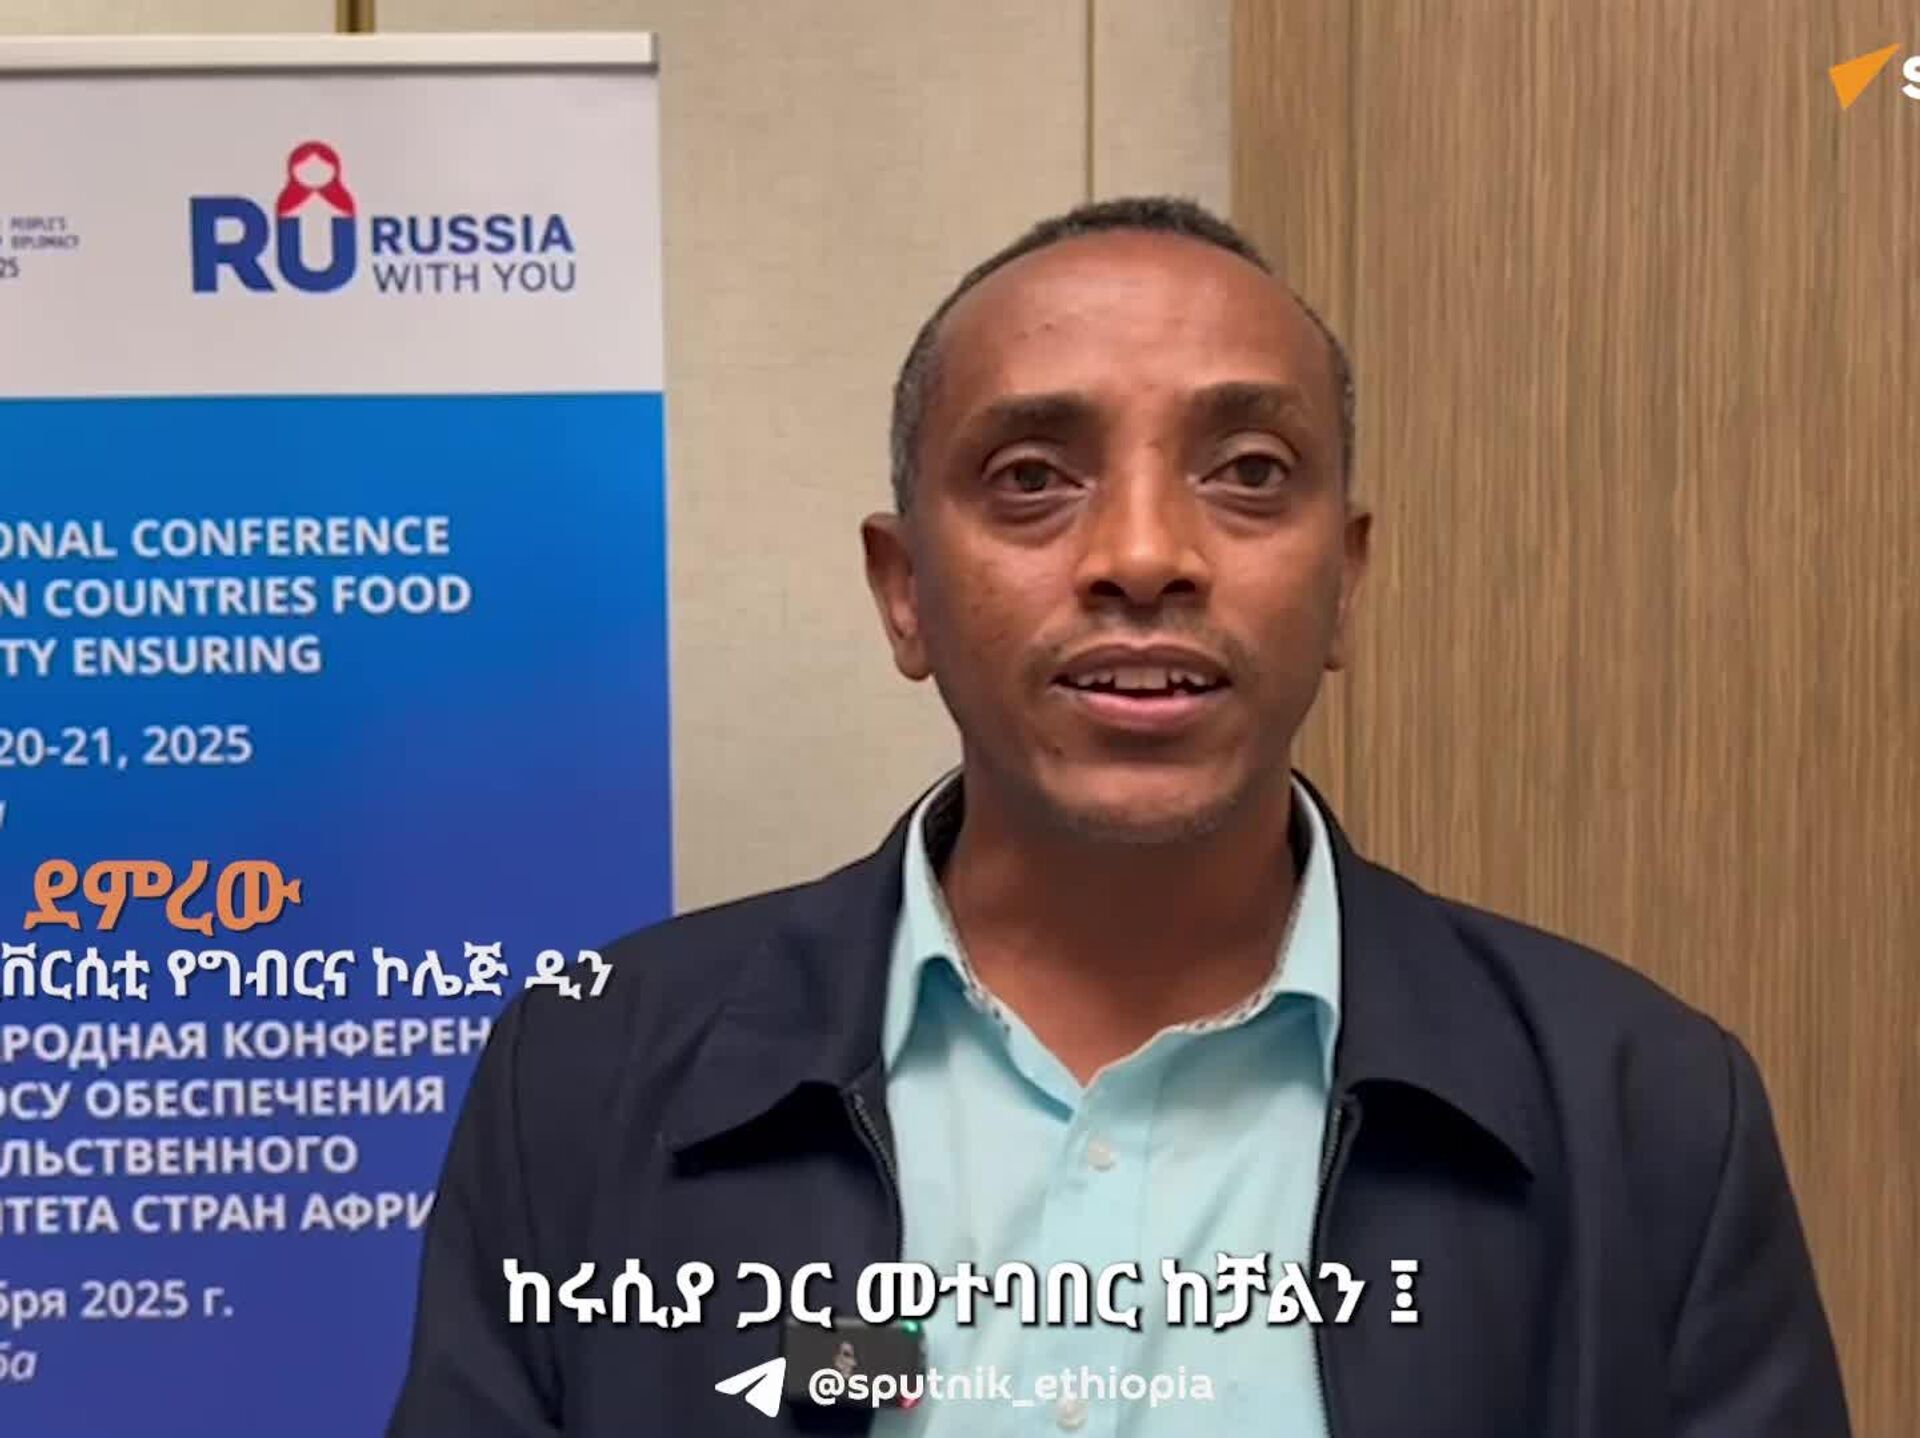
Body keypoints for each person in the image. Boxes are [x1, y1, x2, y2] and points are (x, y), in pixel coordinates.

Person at [386, 197, 1850, 1437]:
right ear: (905, 592)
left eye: (1248, 474)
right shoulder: (582, 1080)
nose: (1145, 555)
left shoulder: (1648, 1111)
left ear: (1345, 583)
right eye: (1032, 479)